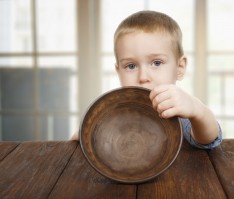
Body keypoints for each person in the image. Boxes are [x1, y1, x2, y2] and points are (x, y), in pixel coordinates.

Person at [71, 10, 222, 150]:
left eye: (157, 63)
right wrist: (85, 135)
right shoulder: (112, 116)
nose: (143, 77)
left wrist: (197, 110)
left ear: (179, 67)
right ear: (119, 72)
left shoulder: (177, 111)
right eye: (131, 66)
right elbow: (80, 142)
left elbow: (209, 139)